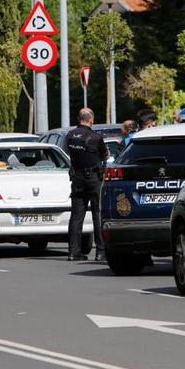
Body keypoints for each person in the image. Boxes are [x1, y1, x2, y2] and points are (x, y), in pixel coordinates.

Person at [66, 108, 109, 261]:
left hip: (77, 178)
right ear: (91, 120)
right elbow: (105, 155)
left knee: (76, 216)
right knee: (98, 214)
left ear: (79, 119)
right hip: (94, 179)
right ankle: (100, 252)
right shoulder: (95, 137)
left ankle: (73, 252)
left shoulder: (70, 135)